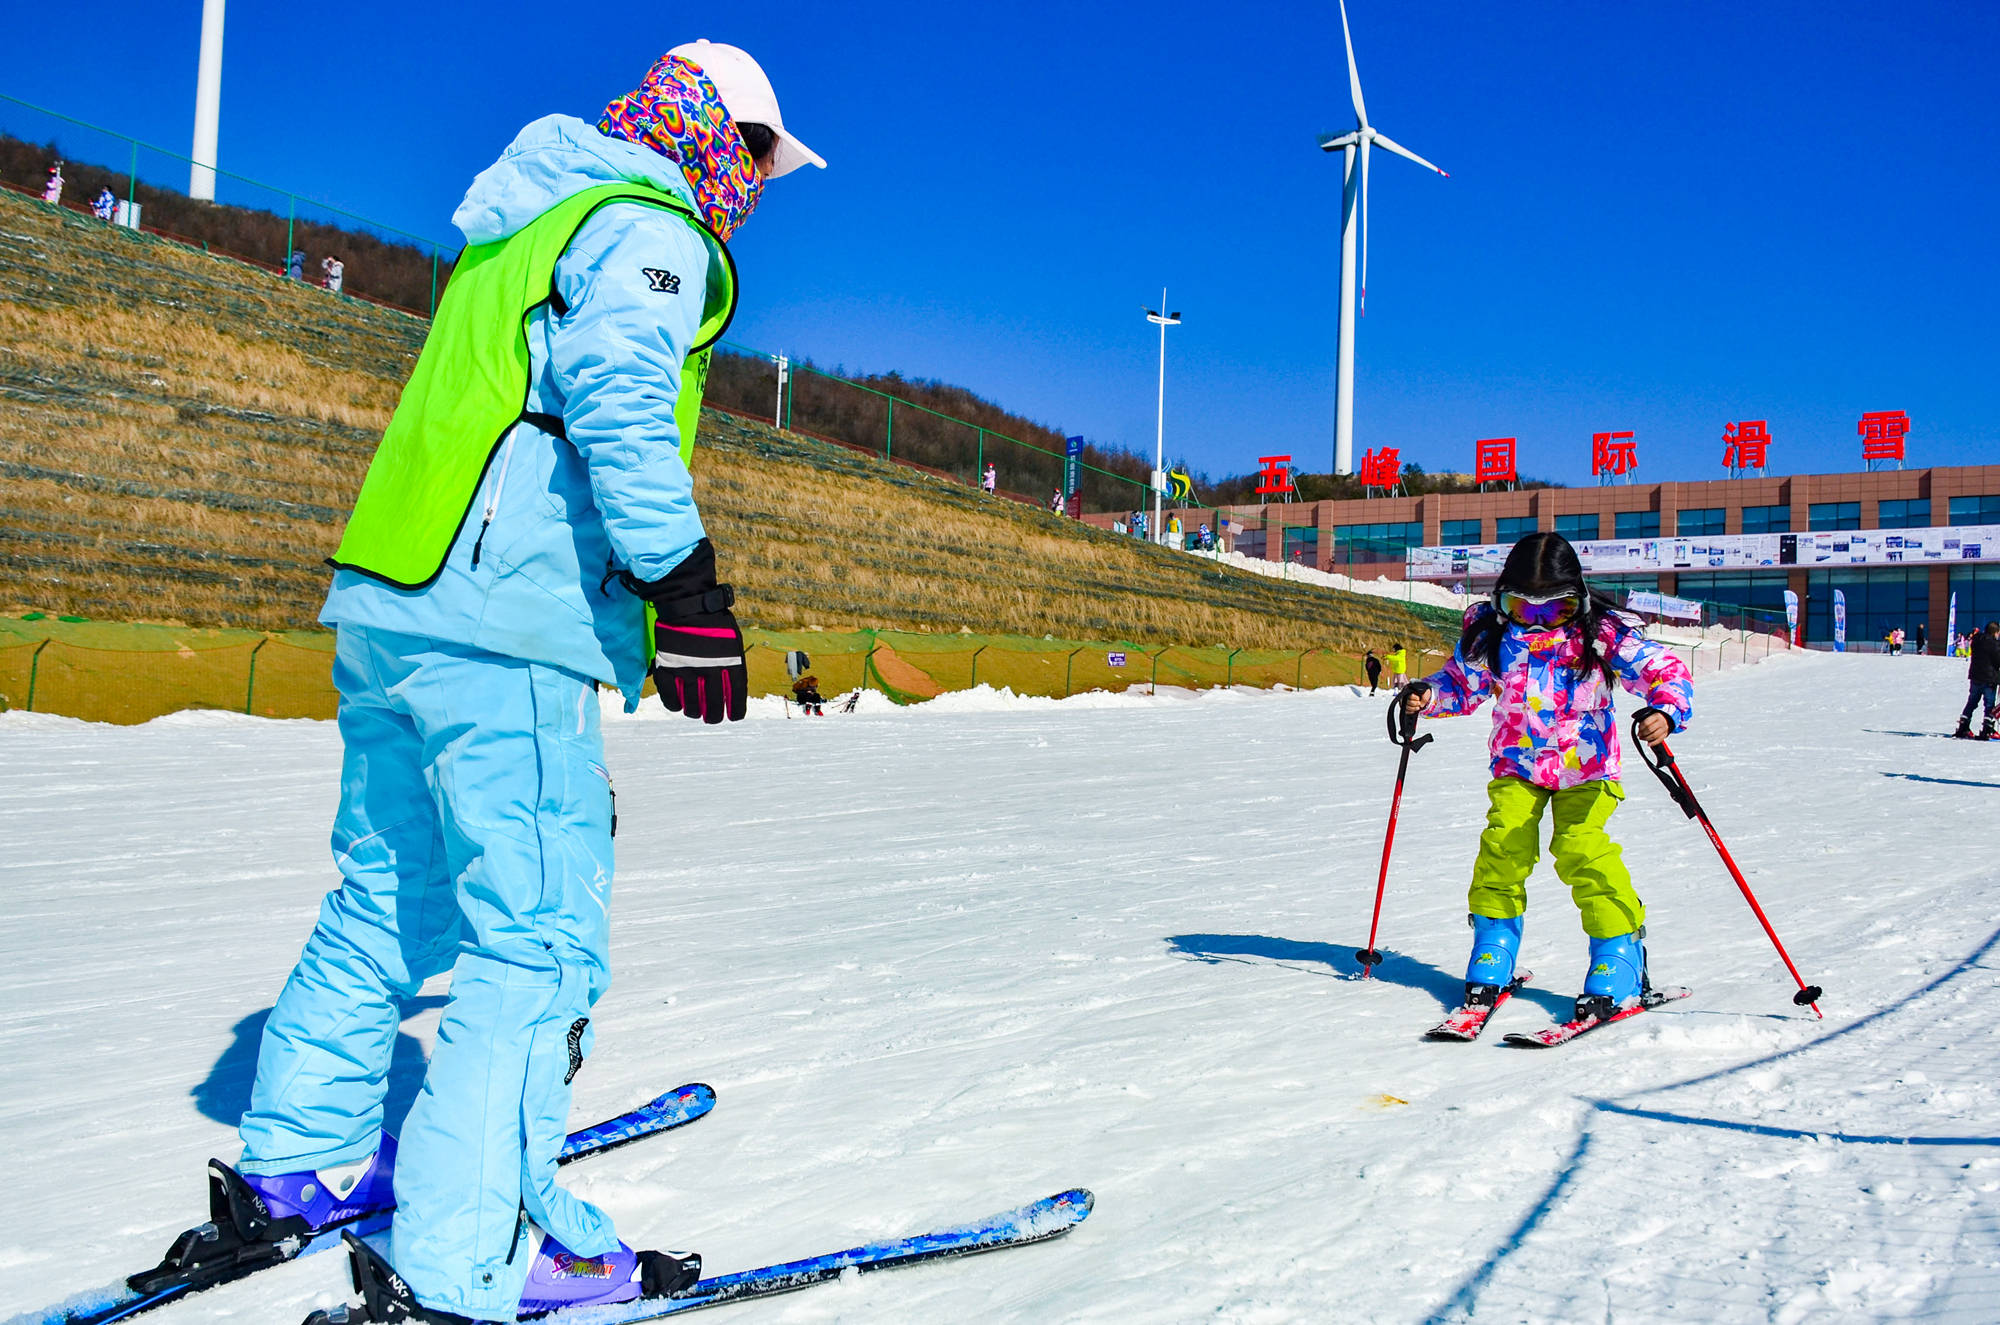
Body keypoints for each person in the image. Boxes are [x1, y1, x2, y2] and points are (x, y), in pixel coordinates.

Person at [231, 39, 821, 1324]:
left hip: (394, 592)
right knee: (537, 936)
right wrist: (686, 585)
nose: (765, 187)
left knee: (392, 886)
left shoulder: (530, 215)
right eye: (766, 157)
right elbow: (615, 394)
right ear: (719, 134)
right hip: (506, 621)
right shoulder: (650, 228)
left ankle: (306, 1154)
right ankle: (473, 1248)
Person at [1401, 532, 1694, 1022]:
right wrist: (1428, 696)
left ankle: (1619, 952)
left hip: (1587, 767)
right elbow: (1461, 684)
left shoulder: (1601, 632)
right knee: (1503, 846)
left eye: (1554, 610)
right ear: (1503, 599)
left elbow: (1663, 669)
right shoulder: (1491, 633)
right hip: (1518, 764)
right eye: (1522, 607)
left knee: (1581, 849)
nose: (1536, 621)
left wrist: (1665, 709)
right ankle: (1494, 946)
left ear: (1575, 599)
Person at [1952, 621, 2000, 739]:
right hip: (1989, 678)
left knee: (1972, 702)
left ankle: (1963, 726)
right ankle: (1987, 728)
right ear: (1995, 632)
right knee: (1989, 704)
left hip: (1975, 677)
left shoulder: (1977, 641)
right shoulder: (1994, 644)